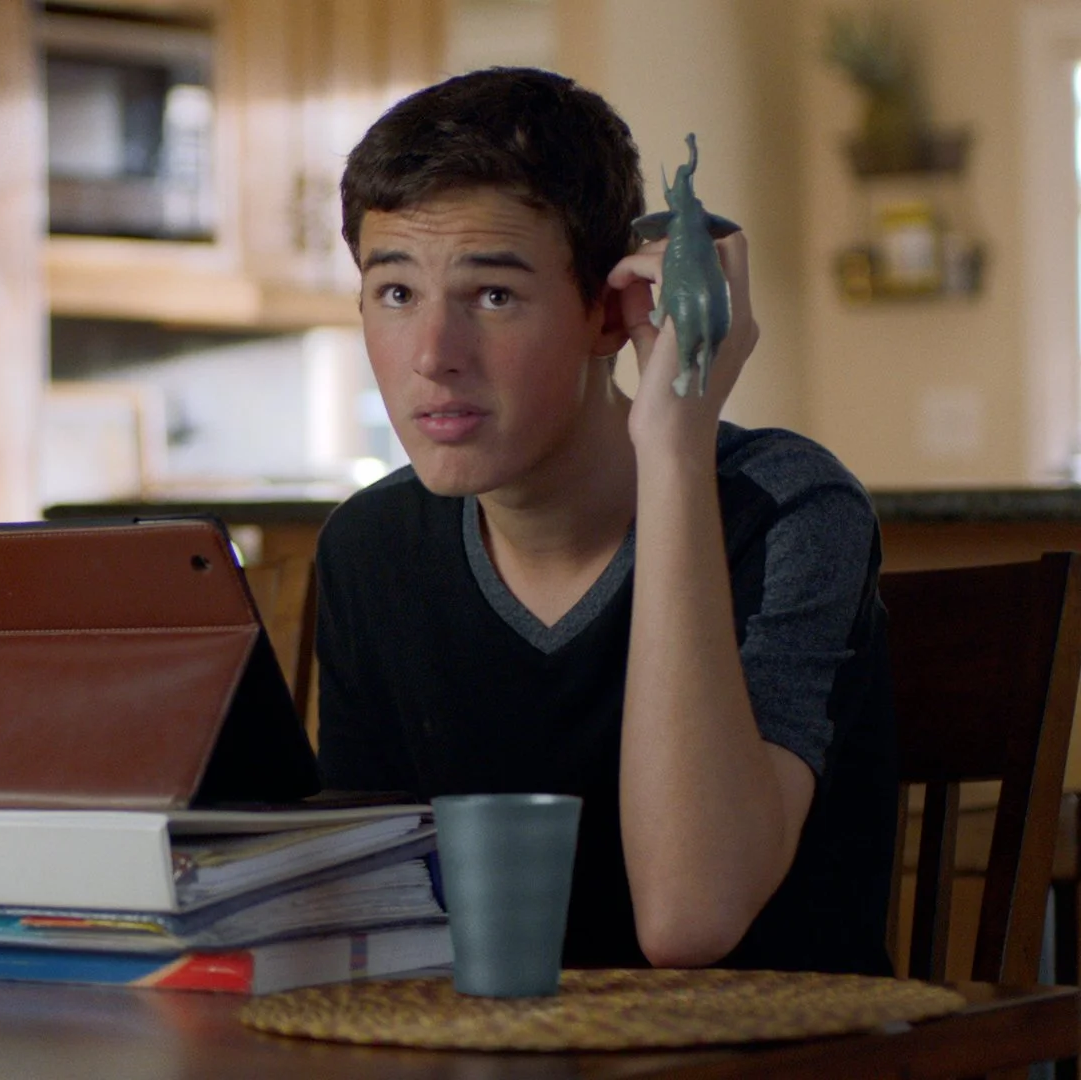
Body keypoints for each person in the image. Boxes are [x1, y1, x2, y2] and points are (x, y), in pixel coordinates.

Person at [315, 67, 896, 974]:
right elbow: (371, 928)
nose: (432, 357)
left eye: (494, 295)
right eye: (395, 294)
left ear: (607, 311)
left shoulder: (789, 510)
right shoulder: (367, 551)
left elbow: (689, 922)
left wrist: (674, 445)